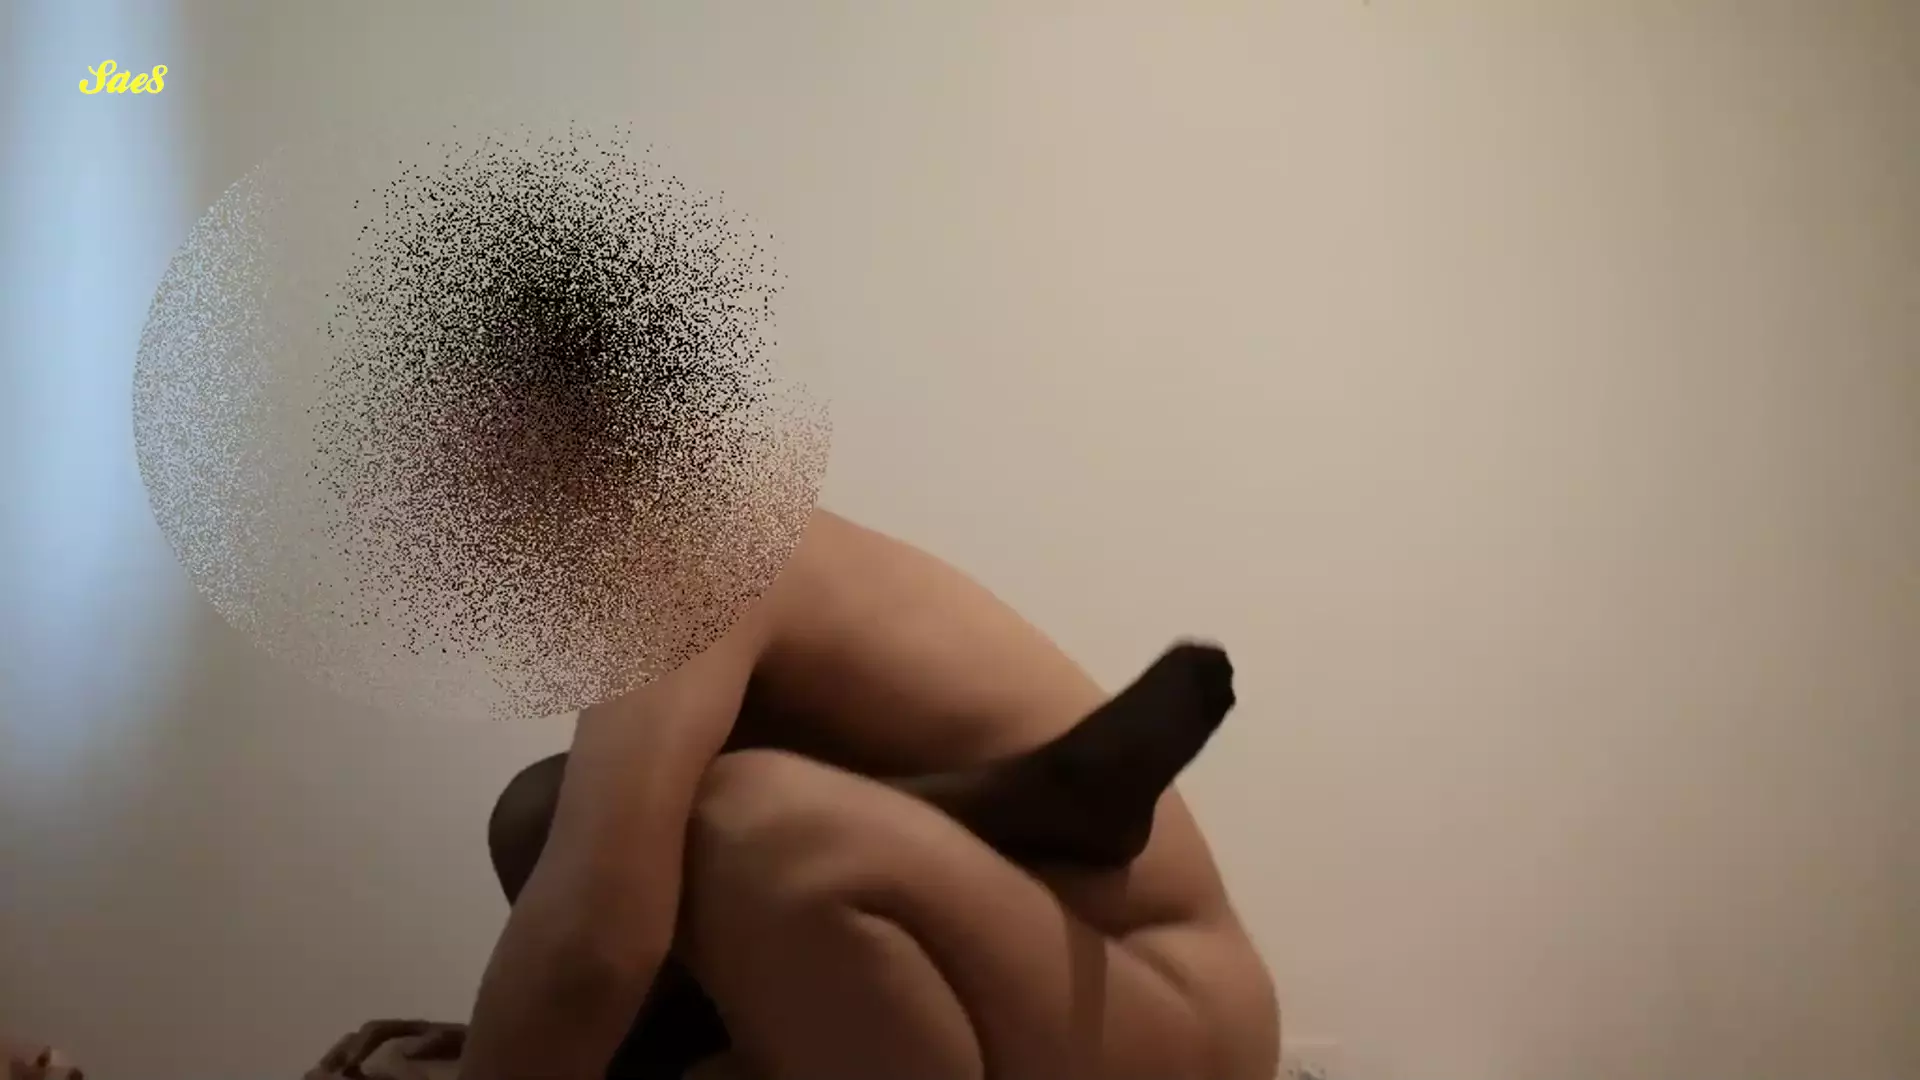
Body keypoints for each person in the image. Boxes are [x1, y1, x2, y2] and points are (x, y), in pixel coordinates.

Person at [316, 509, 1279, 1080]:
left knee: (746, 825)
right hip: (998, 963)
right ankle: (1001, 806)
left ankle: (1006, 806)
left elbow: (595, 945)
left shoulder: (691, 540)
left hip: (1166, 1012)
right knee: (544, 811)